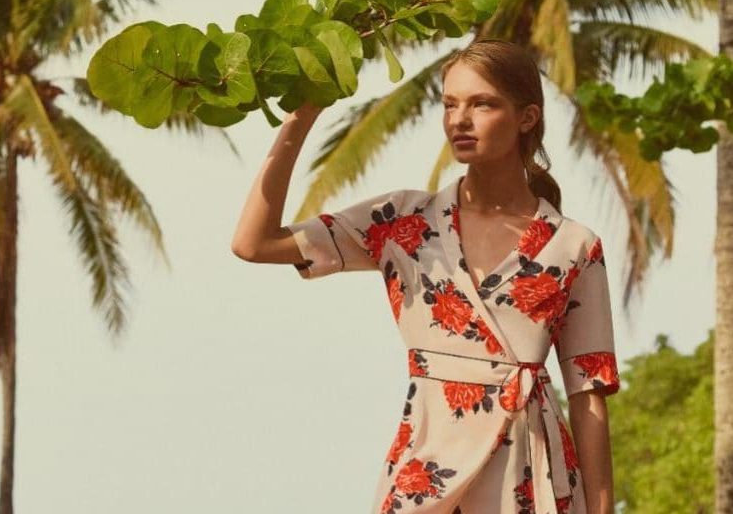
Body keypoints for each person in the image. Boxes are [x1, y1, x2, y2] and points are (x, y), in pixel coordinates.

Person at [231, 38, 620, 514]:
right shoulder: (401, 220)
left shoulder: (574, 246)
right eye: (450, 104)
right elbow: (254, 243)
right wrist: (302, 115)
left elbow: (588, 394)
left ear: (527, 117)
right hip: (425, 475)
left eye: (482, 104)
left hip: (529, 478)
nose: (460, 119)